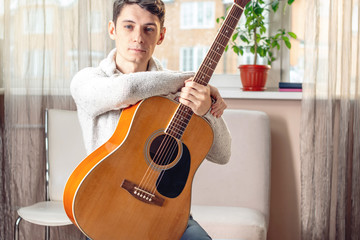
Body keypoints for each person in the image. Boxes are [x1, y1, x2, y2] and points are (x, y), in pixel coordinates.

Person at [70, 0, 232, 239]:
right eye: (128, 26)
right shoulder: (88, 80)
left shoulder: (180, 91)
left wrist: (207, 109)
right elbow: (125, 91)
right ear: (112, 30)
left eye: (149, 29)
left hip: (166, 211)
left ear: (161, 35)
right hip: (105, 208)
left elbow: (222, 155)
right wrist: (196, 78)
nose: (138, 37)